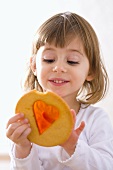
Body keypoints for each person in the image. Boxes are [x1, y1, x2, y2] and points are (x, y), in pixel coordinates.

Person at [6, 11, 113, 170]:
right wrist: (23, 148)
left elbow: (106, 166)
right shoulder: (27, 121)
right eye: (49, 59)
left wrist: (72, 146)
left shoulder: (96, 119)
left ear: (91, 71)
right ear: (34, 65)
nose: (59, 68)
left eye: (72, 61)